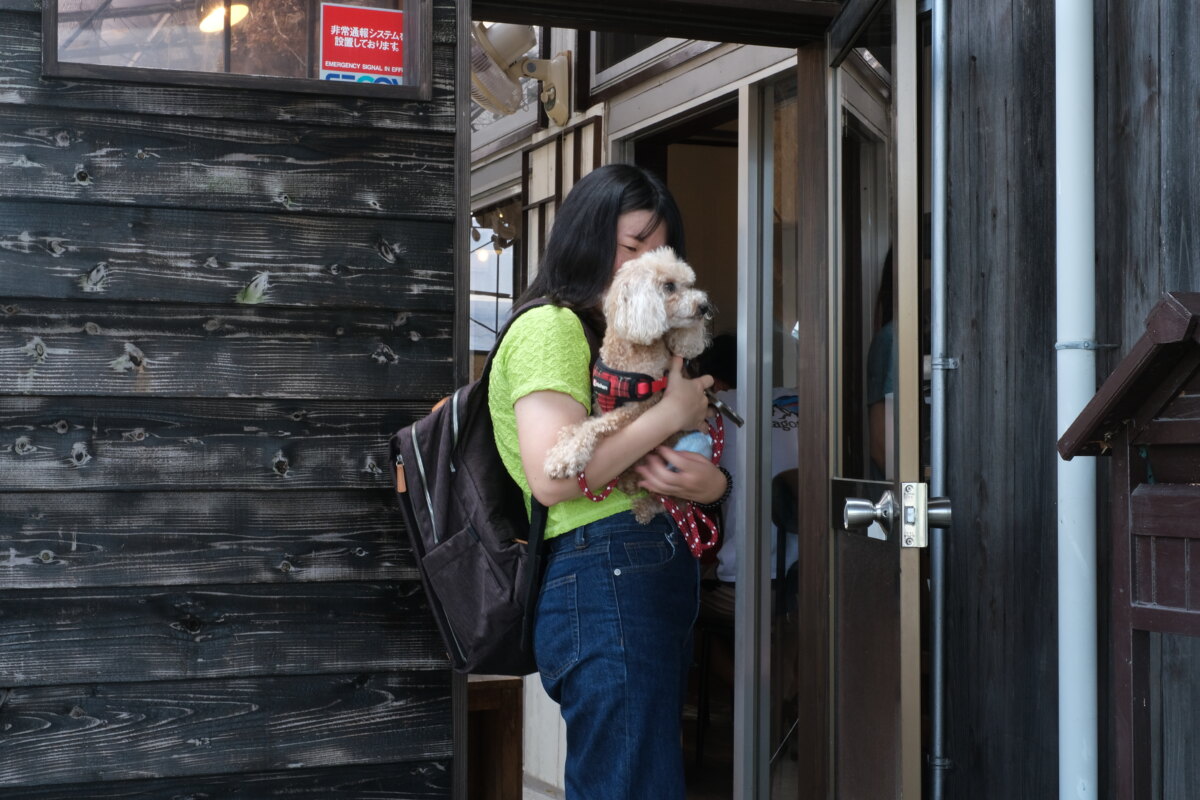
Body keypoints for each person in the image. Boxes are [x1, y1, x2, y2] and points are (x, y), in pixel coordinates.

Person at [488, 163, 729, 799]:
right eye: (631, 248)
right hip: (605, 570)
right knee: (629, 782)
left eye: (659, 253)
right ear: (586, 239)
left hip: (628, 566)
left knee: (639, 776)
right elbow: (553, 478)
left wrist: (713, 486)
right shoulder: (550, 326)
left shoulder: (617, 339)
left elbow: (654, 459)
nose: (643, 266)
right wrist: (674, 414)